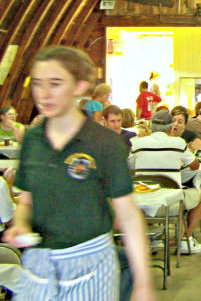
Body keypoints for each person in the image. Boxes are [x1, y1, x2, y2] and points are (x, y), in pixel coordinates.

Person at [4, 46, 154, 300]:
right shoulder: (33, 139)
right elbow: (27, 200)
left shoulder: (103, 142)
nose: (45, 94)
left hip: (90, 262)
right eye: (38, 84)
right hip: (39, 263)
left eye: (56, 83)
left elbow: (128, 215)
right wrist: (19, 224)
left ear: (79, 86)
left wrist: (142, 282)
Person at [129, 110, 201, 254]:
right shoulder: (178, 143)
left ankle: (153, 237)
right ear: (171, 128)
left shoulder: (137, 144)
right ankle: (185, 239)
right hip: (171, 206)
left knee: (152, 188)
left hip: (142, 204)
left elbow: (130, 166)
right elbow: (195, 165)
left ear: (150, 127)